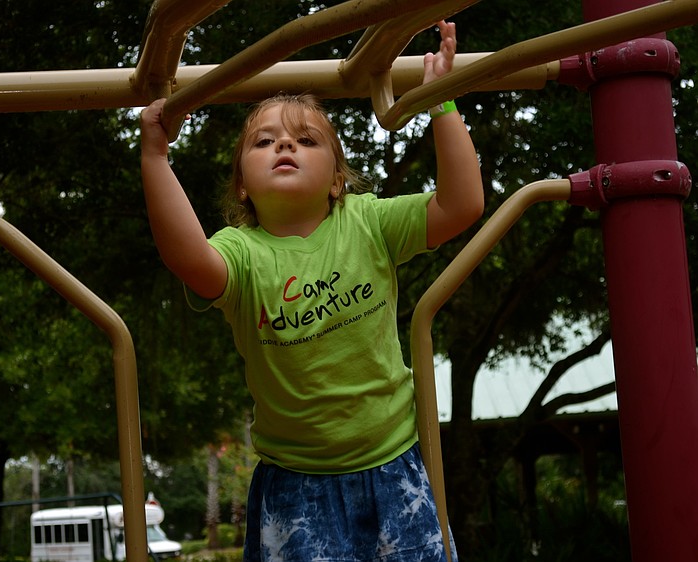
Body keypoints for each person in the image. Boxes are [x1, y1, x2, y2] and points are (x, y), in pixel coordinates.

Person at [140, 20, 482, 562]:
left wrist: (442, 103)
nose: (284, 144)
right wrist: (155, 157)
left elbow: (460, 205)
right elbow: (189, 259)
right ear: (242, 185)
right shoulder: (242, 253)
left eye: (306, 139)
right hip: (296, 483)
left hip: (393, 462)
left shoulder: (367, 223)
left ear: (336, 180)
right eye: (264, 140)